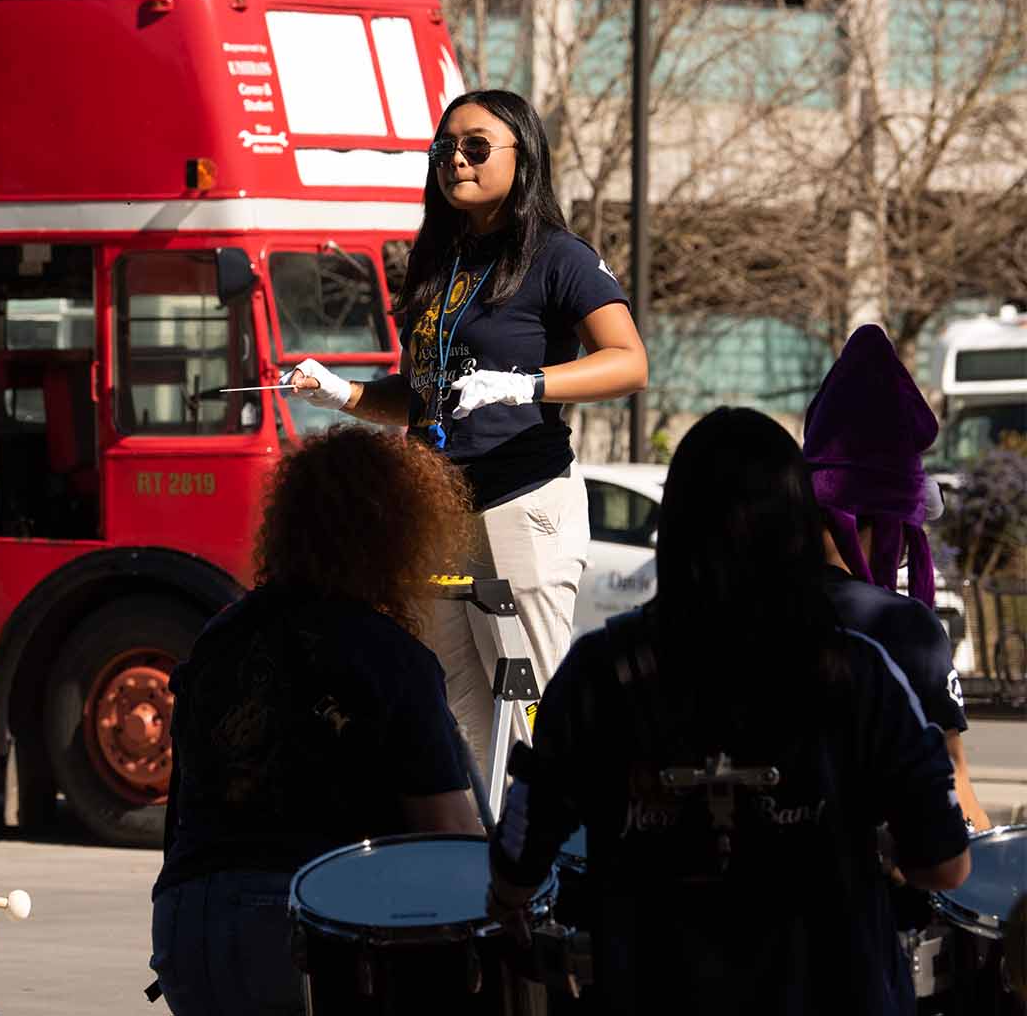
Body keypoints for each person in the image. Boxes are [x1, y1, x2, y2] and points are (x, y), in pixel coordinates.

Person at [488, 407, 970, 1015]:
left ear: (678, 527)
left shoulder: (598, 671)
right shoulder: (862, 671)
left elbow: (519, 854)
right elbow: (947, 866)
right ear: (799, 526)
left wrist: (508, 899)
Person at [287, 88, 647, 778]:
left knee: (535, 704)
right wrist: (343, 392)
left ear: (524, 154)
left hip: (521, 499)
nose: (456, 159)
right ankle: (479, 863)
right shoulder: (435, 261)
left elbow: (629, 362)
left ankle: (555, 866)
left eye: (476, 146)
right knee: (452, 707)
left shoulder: (558, 256)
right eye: (444, 148)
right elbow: (425, 397)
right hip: (437, 509)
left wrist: (527, 384)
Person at [149, 427, 484, 1016]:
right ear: (400, 537)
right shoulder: (388, 655)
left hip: (186, 926)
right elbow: (450, 838)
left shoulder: (220, 637)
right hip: (305, 929)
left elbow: (181, 810)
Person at [803, 323, 992, 831]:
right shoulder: (901, 628)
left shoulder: (740, 609)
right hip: (866, 897)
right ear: (891, 525)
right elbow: (956, 795)